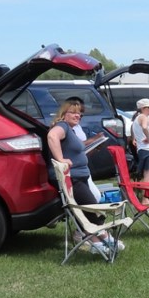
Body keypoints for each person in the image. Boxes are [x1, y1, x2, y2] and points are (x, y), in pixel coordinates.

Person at [46, 100, 122, 256]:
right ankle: (102, 239)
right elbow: (52, 136)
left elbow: (78, 152)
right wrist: (60, 160)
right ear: (64, 114)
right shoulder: (62, 126)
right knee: (92, 209)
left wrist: (94, 143)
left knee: (89, 210)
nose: (78, 115)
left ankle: (100, 240)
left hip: (80, 177)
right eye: (73, 112)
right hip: (72, 179)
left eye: (79, 113)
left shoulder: (71, 130)